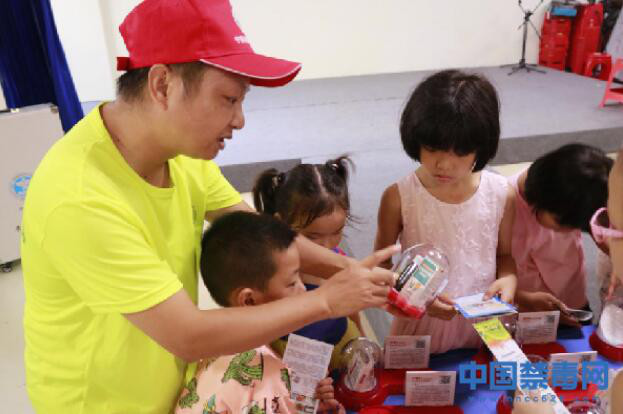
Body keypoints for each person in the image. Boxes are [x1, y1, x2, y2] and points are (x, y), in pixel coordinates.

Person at [20, 1, 397, 412]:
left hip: (171, 387)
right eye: (228, 99)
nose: (239, 120)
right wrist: (326, 301)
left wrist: (360, 275)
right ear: (162, 85)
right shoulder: (79, 196)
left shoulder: (180, 154)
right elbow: (188, 334)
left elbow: (266, 238)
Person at [374, 69, 517, 354]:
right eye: (432, 149)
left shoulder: (501, 194)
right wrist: (418, 298)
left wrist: (509, 278)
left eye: (460, 153)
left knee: (483, 381)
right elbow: (380, 269)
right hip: (420, 326)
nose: (444, 164)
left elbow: (503, 256)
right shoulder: (399, 197)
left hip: (483, 324)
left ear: (481, 147)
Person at [175, 211, 345, 414]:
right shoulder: (267, 377)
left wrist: (309, 403)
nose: (303, 290)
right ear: (248, 300)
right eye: (291, 283)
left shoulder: (216, 343)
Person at [253, 156, 362, 371]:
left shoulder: (338, 259)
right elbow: (258, 334)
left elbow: (353, 310)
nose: (326, 246)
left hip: (341, 347)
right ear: (280, 223)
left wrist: (364, 342)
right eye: (312, 237)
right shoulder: (268, 273)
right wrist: (283, 374)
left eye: (337, 232)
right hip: (291, 362)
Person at [511, 144, 612, 325]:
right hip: (524, 311)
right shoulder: (501, 205)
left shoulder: (580, 193)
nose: (569, 231)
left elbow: (605, 238)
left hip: (572, 300)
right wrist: (524, 298)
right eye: (562, 225)